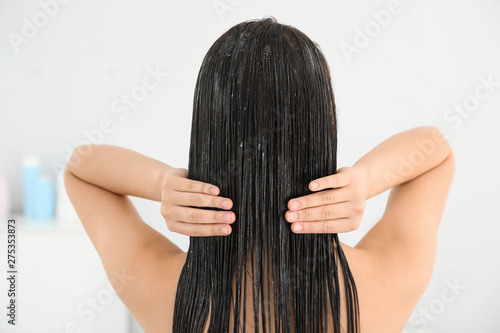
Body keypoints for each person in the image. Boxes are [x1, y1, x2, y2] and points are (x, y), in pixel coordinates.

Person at [64, 17, 454, 333]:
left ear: (207, 135)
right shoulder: (384, 283)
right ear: (320, 130)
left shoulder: (162, 289)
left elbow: (81, 166)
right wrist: (365, 181)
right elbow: (435, 149)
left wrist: (161, 183)